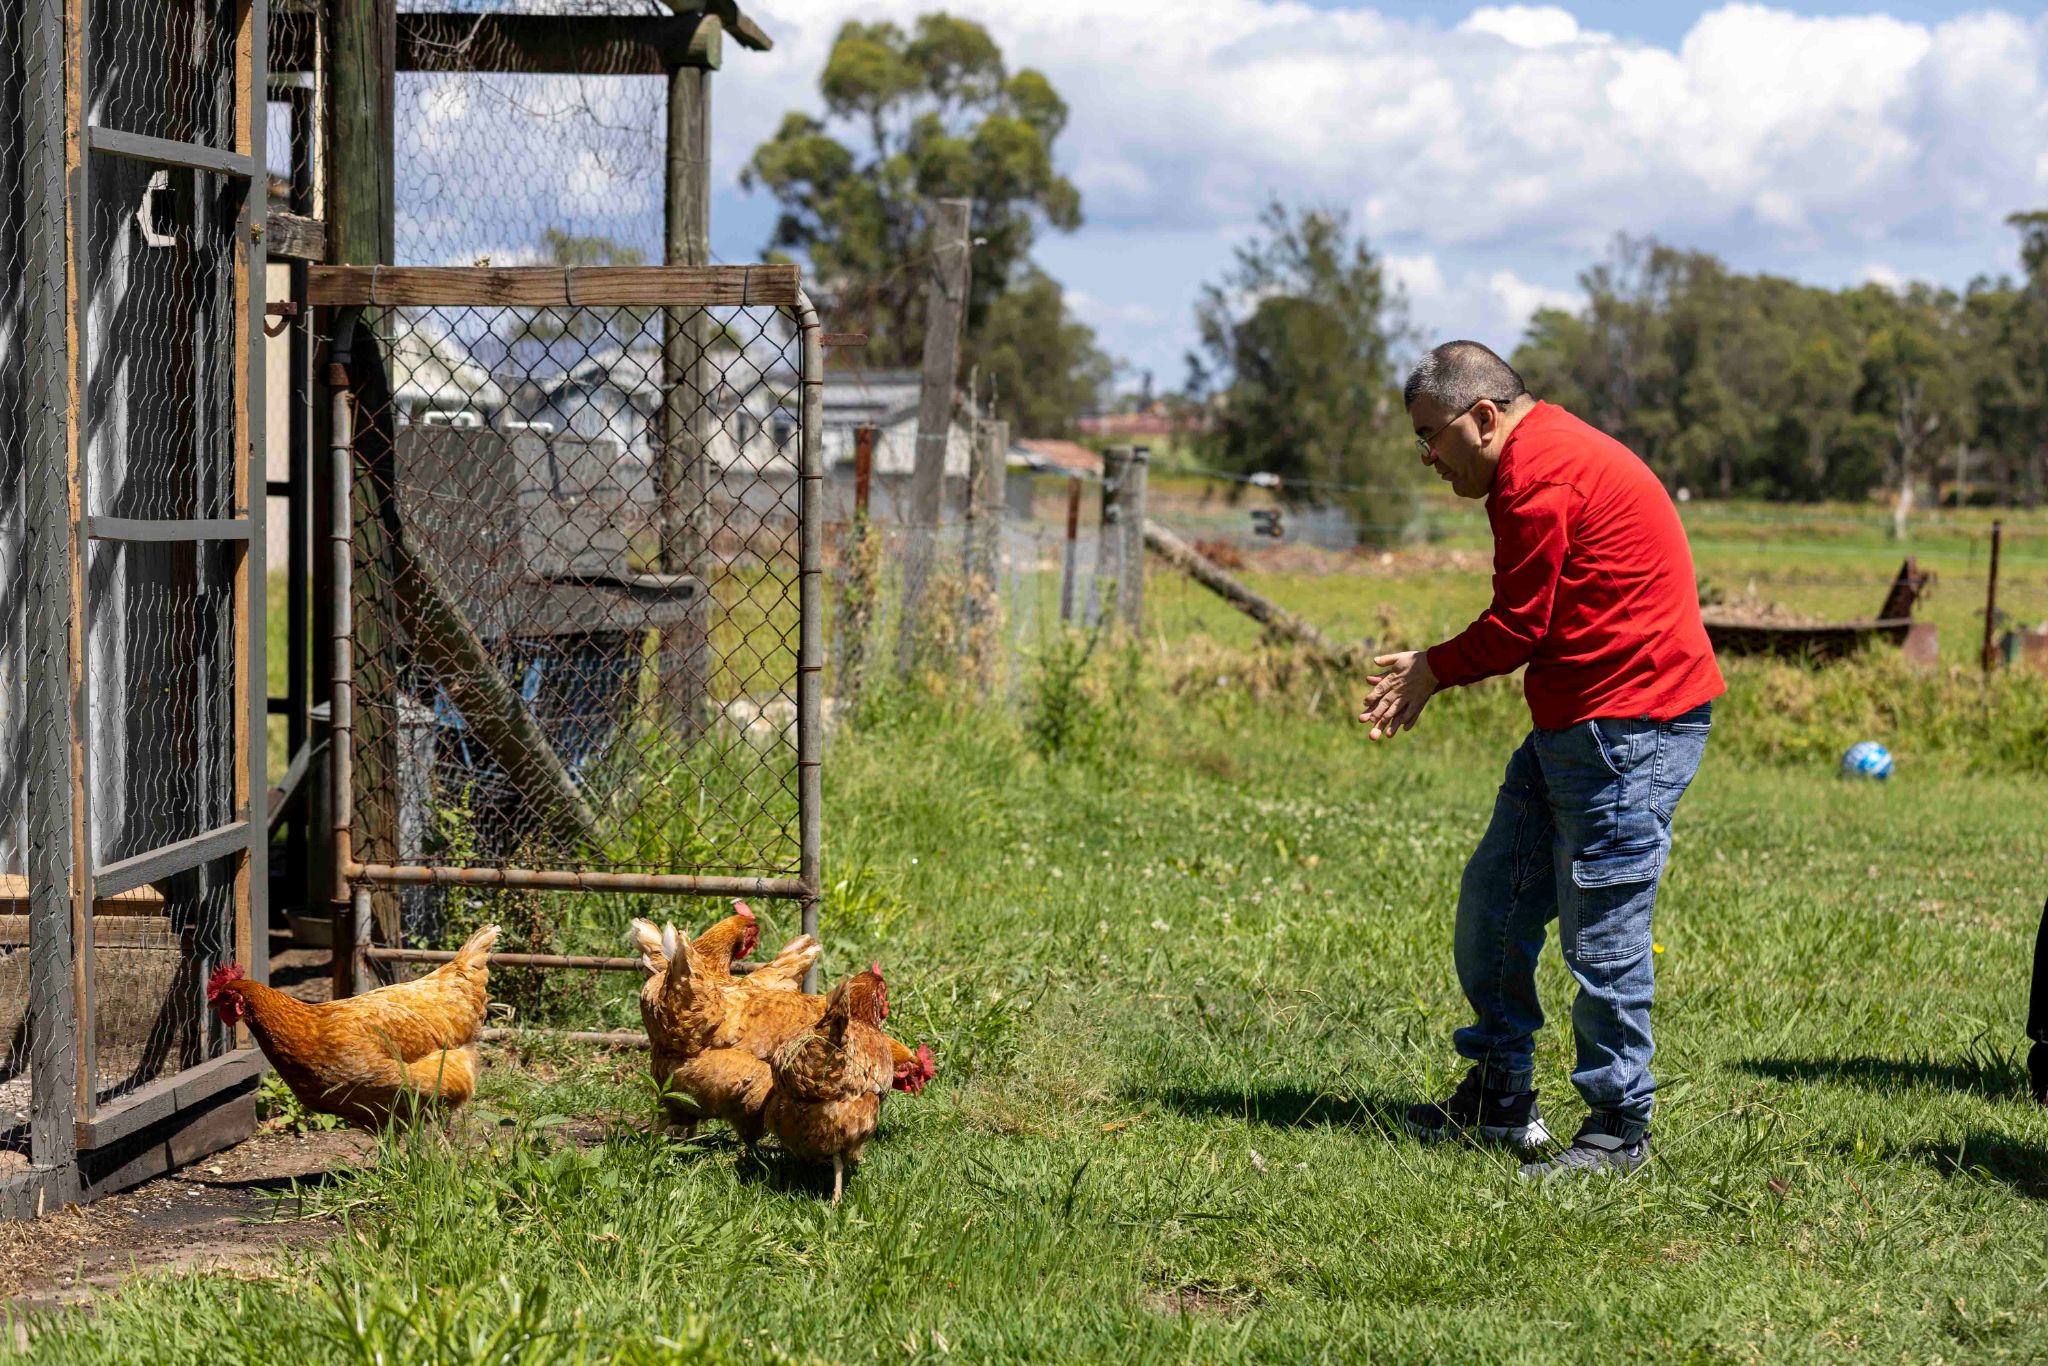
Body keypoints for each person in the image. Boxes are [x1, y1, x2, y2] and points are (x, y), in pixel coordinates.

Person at [1361, 340, 1724, 1181]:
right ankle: (1498, 1094)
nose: (1427, 459)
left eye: (1431, 437)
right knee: (1497, 900)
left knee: (1604, 933)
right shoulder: (1541, 451)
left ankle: (1617, 1128)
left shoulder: (1536, 478)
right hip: (1579, 722)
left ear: (1483, 416)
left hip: (1629, 726)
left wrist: (1431, 669)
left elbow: (1520, 625)